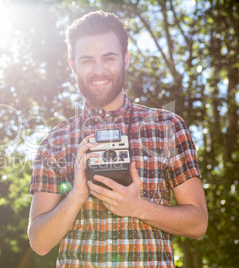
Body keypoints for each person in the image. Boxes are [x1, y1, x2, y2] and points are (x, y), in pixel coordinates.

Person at [27, 10, 208, 267]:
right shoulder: (54, 140)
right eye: (87, 60)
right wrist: (77, 195)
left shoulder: (168, 127)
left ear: (126, 59)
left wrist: (138, 207)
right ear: (72, 64)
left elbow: (198, 223)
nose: (98, 70)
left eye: (109, 58)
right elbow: (40, 242)